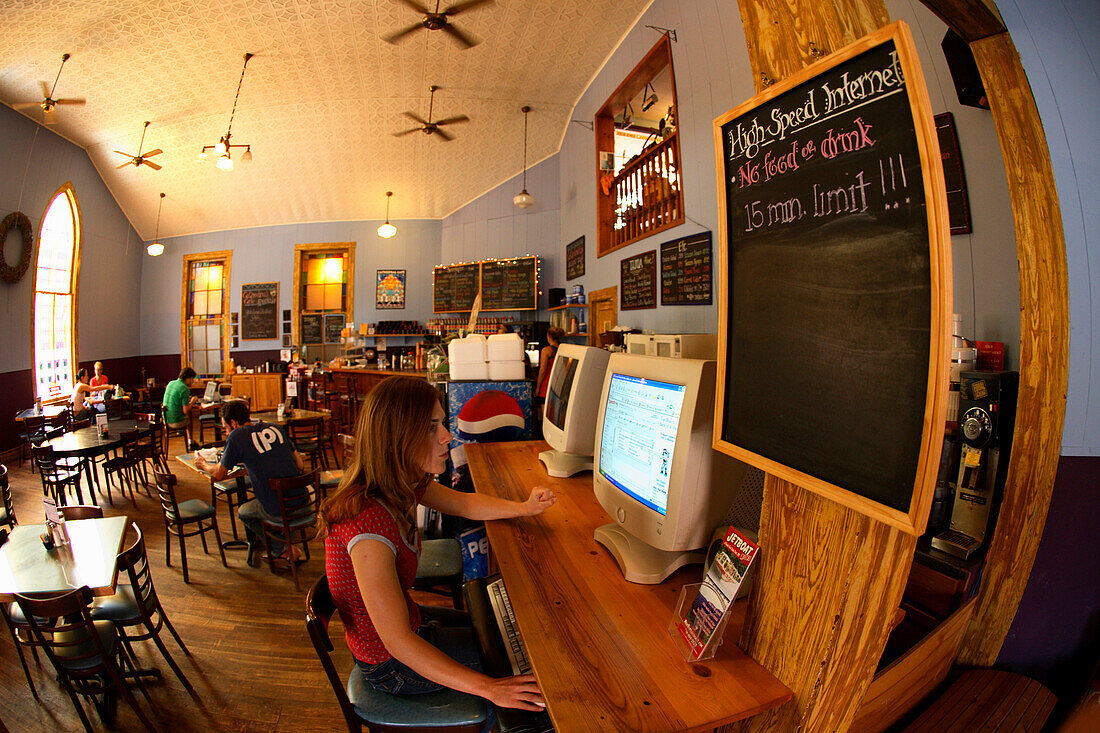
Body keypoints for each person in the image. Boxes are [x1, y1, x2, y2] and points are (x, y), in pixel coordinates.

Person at [320, 376, 555, 719]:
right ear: (397, 438)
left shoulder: (399, 483)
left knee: (501, 633)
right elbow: (397, 642)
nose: (448, 436)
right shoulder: (367, 526)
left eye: (441, 423)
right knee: (524, 670)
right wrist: (490, 687)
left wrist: (524, 507)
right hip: (391, 666)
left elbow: (466, 505)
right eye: (432, 427)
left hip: (412, 629)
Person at [194, 399, 306, 564]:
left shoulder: (237, 436)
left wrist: (203, 464)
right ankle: (282, 537)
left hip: (280, 509)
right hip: (303, 501)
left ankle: (280, 548)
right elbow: (300, 464)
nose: (226, 433)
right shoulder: (274, 427)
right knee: (269, 499)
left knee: (244, 512)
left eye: (226, 428)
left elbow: (218, 474)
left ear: (233, 423)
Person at [163, 366, 200, 450]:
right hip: (175, 422)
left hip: (166, 420)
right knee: (189, 415)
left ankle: (190, 441)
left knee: (187, 413)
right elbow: (185, 411)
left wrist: (187, 400)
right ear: (187, 378)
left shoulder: (171, 383)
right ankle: (190, 441)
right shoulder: (184, 388)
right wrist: (193, 401)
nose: (193, 381)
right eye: (192, 379)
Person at [535, 326, 564, 414]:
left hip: (546, 386)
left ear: (548, 336)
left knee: (545, 416)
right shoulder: (563, 349)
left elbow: (543, 370)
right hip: (558, 386)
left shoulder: (546, 350)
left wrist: (538, 387)